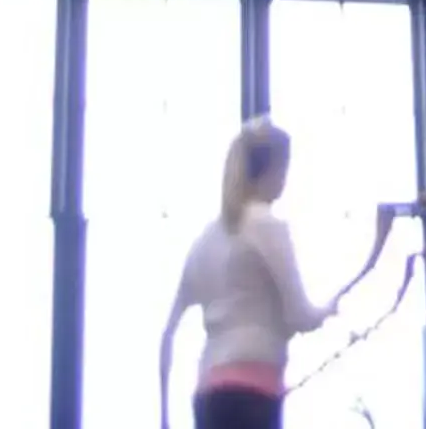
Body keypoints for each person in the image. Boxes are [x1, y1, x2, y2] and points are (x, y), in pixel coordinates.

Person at [160, 117, 387, 429]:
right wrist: (330, 307)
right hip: (253, 393)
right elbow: (300, 317)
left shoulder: (206, 239)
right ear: (273, 169)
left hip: (208, 394)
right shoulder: (267, 225)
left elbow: (168, 331)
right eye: (285, 167)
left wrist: (163, 418)